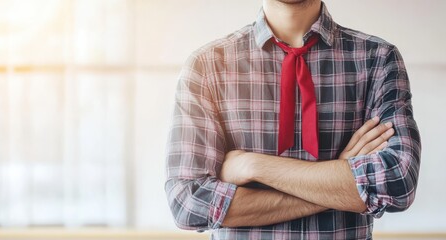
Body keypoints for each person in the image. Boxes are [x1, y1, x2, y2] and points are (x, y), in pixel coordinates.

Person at [164, 0, 421, 239]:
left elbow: (398, 181)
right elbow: (188, 203)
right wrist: (338, 183)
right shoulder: (207, 67)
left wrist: (253, 166)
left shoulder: (378, 59)